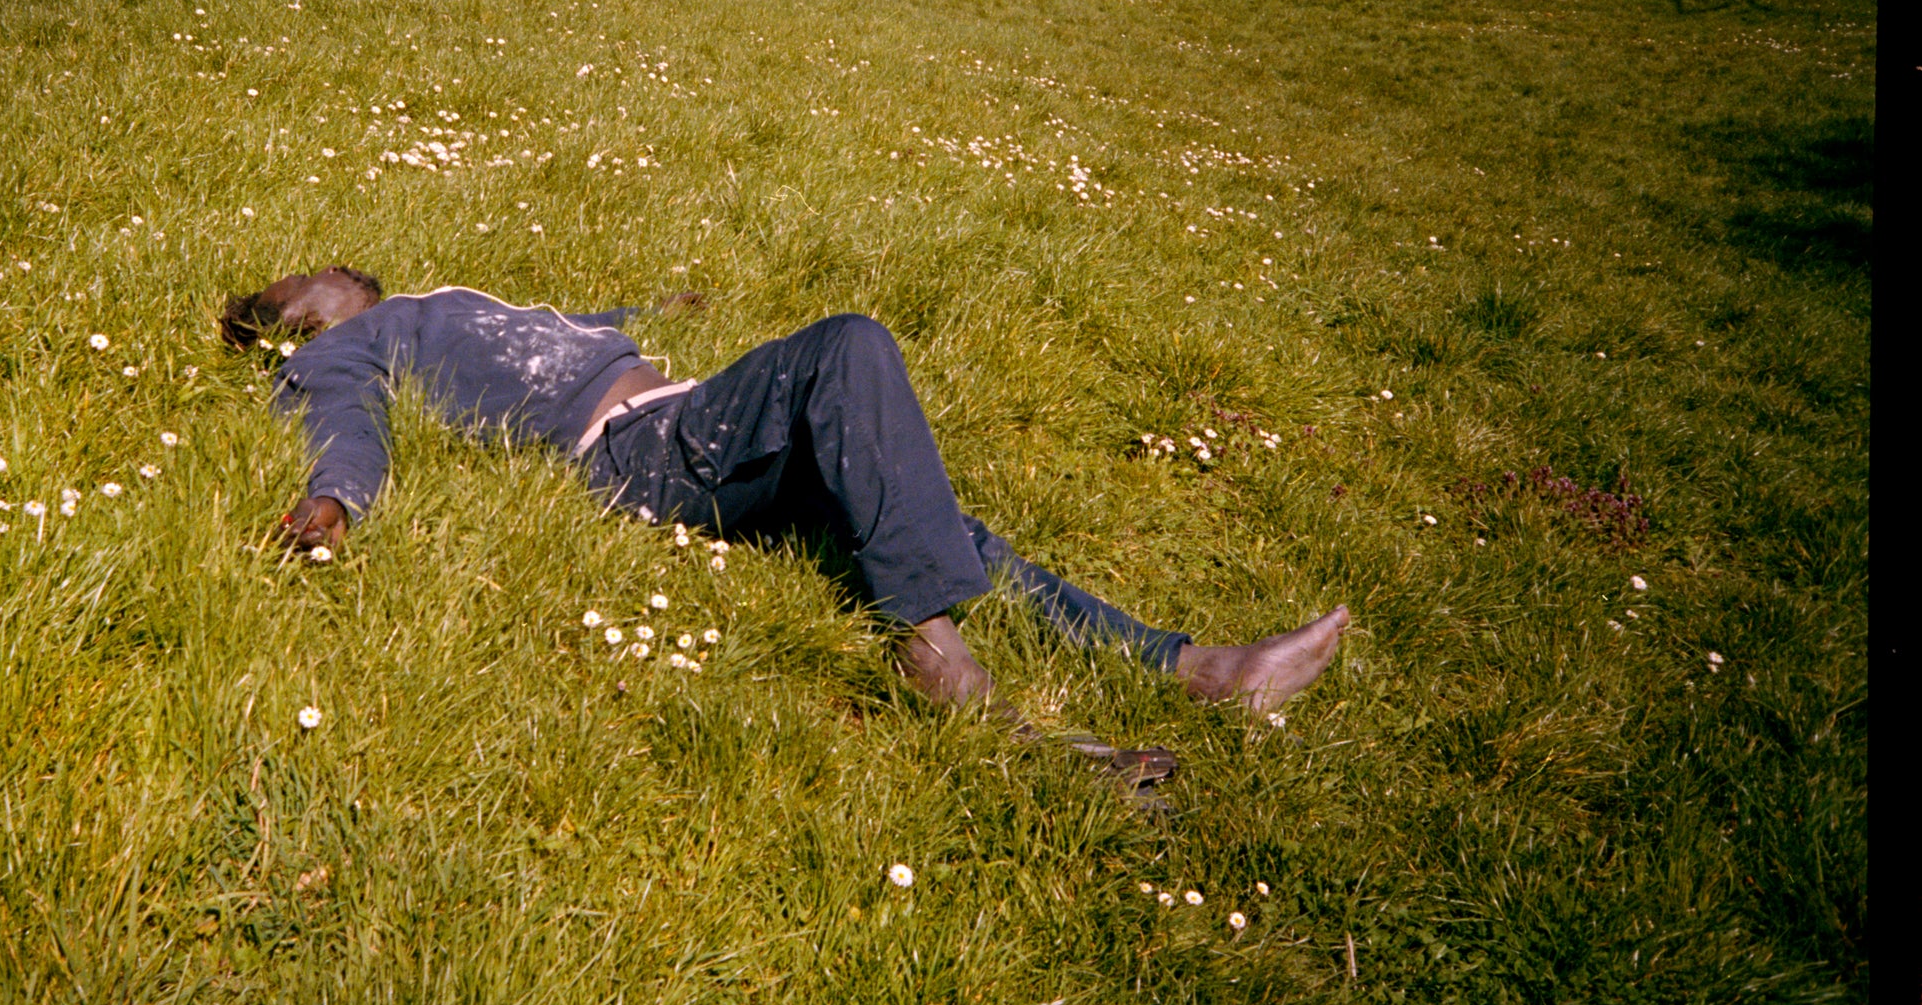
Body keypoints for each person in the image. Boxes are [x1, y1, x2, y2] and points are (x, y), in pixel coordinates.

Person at [221, 267, 1348, 790]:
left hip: (686, 413)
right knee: (849, 345)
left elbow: (580, 330)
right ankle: (939, 658)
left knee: (927, 516)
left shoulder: (450, 302)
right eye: (309, 290)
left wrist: (656, 313)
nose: (333, 280)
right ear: (296, 327)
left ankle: (1195, 666)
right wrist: (335, 503)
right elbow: (349, 425)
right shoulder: (351, 347)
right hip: (639, 455)